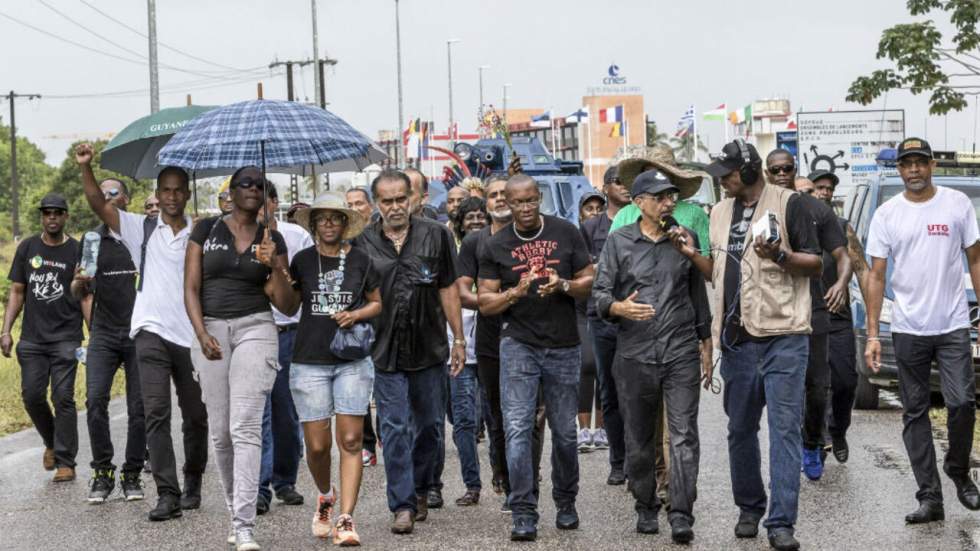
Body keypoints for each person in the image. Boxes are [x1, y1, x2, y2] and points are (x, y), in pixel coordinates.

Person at [699, 139, 822, 551]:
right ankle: (750, 507)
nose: (724, 181)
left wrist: (781, 256)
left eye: (729, 174)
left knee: (784, 431)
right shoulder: (717, 212)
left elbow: (816, 262)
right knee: (739, 430)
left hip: (783, 335)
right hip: (736, 340)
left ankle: (781, 522)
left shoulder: (791, 204)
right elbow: (715, 269)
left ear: (750, 170)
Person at [76, 143, 209, 522]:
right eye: (163, 190)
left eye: (176, 190)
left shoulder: (200, 234)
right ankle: (167, 493)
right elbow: (98, 205)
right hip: (149, 332)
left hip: (190, 337)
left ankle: (193, 479)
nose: (170, 196)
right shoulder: (142, 227)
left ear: (185, 193)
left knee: (196, 416)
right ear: (158, 194)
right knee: (155, 413)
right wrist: (86, 168)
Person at [593, 169, 713, 543]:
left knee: (683, 436)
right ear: (639, 202)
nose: (668, 203)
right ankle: (645, 504)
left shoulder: (684, 239)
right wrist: (617, 308)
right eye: (660, 197)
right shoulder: (618, 242)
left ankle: (681, 512)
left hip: (679, 350)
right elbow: (598, 296)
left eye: (672, 196)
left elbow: (699, 293)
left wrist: (705, 341)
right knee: (640, 439)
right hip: (635, 353)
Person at [865, 137, 980, 524]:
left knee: (962, 402)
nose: (913, 169)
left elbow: (975, 260)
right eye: (906, 164)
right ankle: (930, 497)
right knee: (915, 412)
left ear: (931, 166)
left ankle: (959, 470)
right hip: (908, 328)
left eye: (920, 162)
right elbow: (876, 277)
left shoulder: (957, 205)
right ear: (899, 170)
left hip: (952, 324)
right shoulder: (887, 214)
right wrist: (872, 334)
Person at [478, 174, 595, 542]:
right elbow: (485, 301)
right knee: (517, 430)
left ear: (539, 197)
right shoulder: (496, 245)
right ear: (506, 205)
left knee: (563, 432)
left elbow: (589, 278)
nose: (526, 208)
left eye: (531, 201)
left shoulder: (565, 231)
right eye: (518, 203)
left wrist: (562, 284)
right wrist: (516, 292)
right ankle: (523, 509)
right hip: (518, 344)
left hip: (563, 343)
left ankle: (565, 501)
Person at [184, 166, 293, 551]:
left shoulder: (273, 239)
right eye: (245, 183)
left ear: (266, 196)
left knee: (245, 425)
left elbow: (288, 303)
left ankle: (245, 524)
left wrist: (274, 265)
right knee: (221, 431)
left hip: (256, 329)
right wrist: (201, 334)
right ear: (230, 191)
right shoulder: (205, 229)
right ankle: (234, 509)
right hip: (211, 329)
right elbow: (191, 288)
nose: (252, 188)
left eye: (260, 185)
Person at [353, 169, 465, 534]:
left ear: (414, 198)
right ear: (376, 204)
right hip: (384, 349)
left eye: (402, 198)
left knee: (430, 427)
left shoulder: (437, 235)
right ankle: (402, 504)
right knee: (394, 427)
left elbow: (449, 288)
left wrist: (458, 339)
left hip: (429, 345)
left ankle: (420, 488)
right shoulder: (362, 242)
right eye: (387, 201)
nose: (396, 206)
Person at [286, 192, 381, 546]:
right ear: (313, 225)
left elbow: (376, 303)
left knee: (352, 440)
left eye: (335, 217)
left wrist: (355, 314)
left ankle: (346, 517)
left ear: (345, 223)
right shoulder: (302, 261)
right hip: (309, 360)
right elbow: (286, 303)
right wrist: (277, 270)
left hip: (352, 360)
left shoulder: (361, 260)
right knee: (317, 445)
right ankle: (326, 495)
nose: (328, 223)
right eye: (322, 218)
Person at [456, 176, 547, 513]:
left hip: (536, 336)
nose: (499, 200)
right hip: (493, 337)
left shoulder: (541, 236)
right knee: (498, 416)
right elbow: (461, 291)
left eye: (503, 194)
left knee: (532, 416)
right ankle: (506, 477)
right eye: (493, 195)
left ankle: (528, 482)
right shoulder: (475, 243)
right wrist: (494, 299)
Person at [766, 149, 850, 482]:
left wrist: (842, 283)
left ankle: (813, 441)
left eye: (787, 168)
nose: (782, 173)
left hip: (813, 308)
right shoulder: (760, 208)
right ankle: (785, 453)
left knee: (817, 387)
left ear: (795, 169)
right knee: (782, 388)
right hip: (774, 311)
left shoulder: (816, 210)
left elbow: (842, 254)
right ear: (768, 173)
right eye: (776, 169)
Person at [70, 178, 147, 502]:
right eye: (102, 195)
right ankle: (102, 473)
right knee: (95, 400)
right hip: (103, 332)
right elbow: (78, 291)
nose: (107, 198)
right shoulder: (91, 240)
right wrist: (78, 283)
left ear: (126, 199)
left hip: (138, 332)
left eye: (113, 193)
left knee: (139, 407)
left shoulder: (142, 235)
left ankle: (132, 475)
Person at [2, 192, 83, 483]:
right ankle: (52, 442)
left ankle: (66, 461)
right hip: (33, 340)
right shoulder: (28, 248)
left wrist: (94, 332)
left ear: (65, 217)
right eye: (47, 213)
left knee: (63, 398)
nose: (52, 217)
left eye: (57, 213)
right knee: (32, 396)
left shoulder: (76, 250)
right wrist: (6, 330)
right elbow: (17, 292)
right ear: (42, 216)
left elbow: (84, 295)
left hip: (66, 337)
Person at [799, 171, 867, 462]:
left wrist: (873, 313)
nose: (824, 193)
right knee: (813, 385)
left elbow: (861, 269)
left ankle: (837, 430)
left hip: (838, 317)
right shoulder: (795, 229)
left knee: (845, 382)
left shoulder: (842, 227)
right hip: (805, 316)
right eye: (818, 188)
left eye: (828, 189)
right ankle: (814, 439)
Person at [257, 185, 312, 515]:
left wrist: (277, 259)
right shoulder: (238, 235)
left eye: (264, 200)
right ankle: (260, 485)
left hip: (290, 331)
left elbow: (302, 285)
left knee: (285, 411)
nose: (258, 207)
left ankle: (285, 480)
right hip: (255, 331)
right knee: (258, 413)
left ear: (275, 203)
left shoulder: (296, 235)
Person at [580, 165, 631, 486]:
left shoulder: (643, 222)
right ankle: (618, 460)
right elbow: (584, 273)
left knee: (637, 391)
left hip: (636, 317)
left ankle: (641, 460)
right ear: (606, 187)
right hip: (601, 318)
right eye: (619, 182)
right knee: (609, 391)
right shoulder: (591, 227)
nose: (625, 188)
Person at [442, 196, 487, 507]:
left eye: (480, 217)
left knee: (496, 418)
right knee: (462, 420)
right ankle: (473, 484)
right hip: (454, 348)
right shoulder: (449, 254)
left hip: (491, 346)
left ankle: (505, 477)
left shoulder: (498, 248)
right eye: (469, 217)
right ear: (459, 222)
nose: (475, 221)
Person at [608, 144, 710, 255]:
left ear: (672, 178)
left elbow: (704, 258)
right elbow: (611, 257)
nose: (654, 178)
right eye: (648, 173)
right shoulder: (625, 215)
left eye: (660, 173)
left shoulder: (694, 214)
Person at [575, 190, 606, 452]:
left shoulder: (610, 234)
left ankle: (603, 429)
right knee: (587, 363)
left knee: (603, 367)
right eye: (589, 208)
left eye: (598, 208)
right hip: (580, 309)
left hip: (604, 307)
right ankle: (584, 428)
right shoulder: (576, 237)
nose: (594, 212)